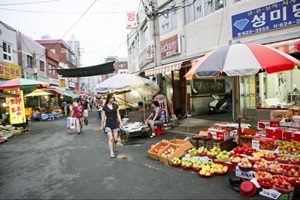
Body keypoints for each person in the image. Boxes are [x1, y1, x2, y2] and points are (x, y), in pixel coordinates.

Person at [100, 93, 123, 158]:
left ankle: (114, 145)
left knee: (115, 139)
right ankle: (111, 152)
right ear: (108, 98)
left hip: (115, 123)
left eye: (113, 98)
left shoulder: (116, 106)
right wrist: (102, 125)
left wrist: (121, 123)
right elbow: (103, 117)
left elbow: (118, 115)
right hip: (108, 124)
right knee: (111, 138)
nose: (112, 99)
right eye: (111, 98)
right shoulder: (104, 107)